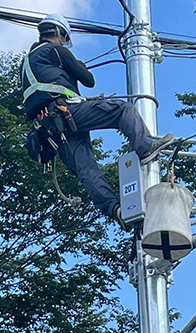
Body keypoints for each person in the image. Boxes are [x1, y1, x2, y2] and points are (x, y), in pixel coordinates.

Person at [20, 13, 174, 224]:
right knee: (122, 110)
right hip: (65, 112)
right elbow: (88, 79)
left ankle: (116, 210)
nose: (64, 42)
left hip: (51, 129)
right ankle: (145, 146)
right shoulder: (55, 50)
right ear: (58, 33)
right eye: (64, 38)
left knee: (87, 169)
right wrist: (76, 64)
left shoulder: (27, 62)